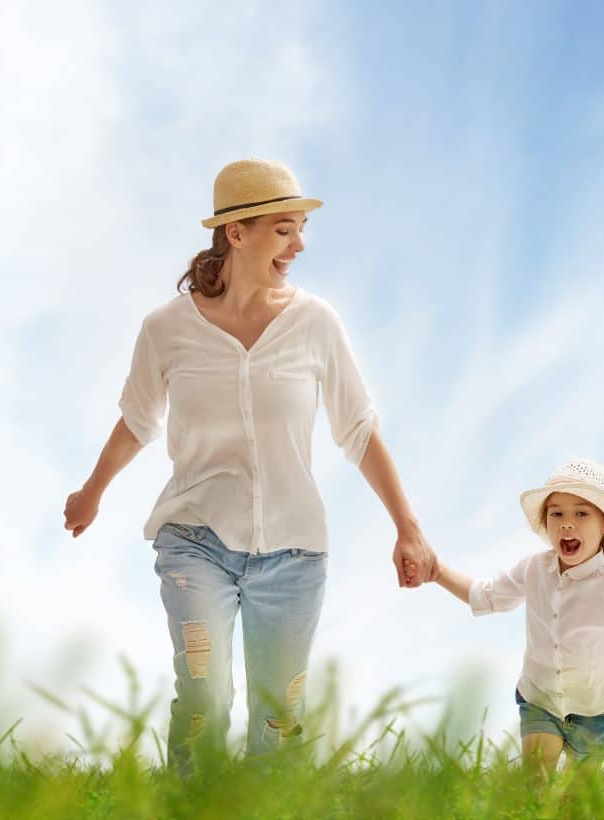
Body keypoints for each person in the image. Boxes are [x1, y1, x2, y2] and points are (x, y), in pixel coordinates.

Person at [63, 158, 437, 773]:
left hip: (293, 554)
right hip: (194, 541)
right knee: (205, 697)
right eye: (284, 228)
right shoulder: (166, 328)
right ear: (237, 233)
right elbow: (137, 420)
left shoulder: (316, 324)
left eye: (299, 228)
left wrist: (408, 526)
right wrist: (92, 491)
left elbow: (358, 430)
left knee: (278, 719)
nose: (298, 244)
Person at [416, 458, 604, 779]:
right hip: (540, 698)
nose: (566, 523)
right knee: (536, 784)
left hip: (595, 711)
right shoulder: (534, 568)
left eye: (581, 513)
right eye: (557, 513)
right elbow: (486, 594)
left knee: (576, 803)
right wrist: (437, 572)